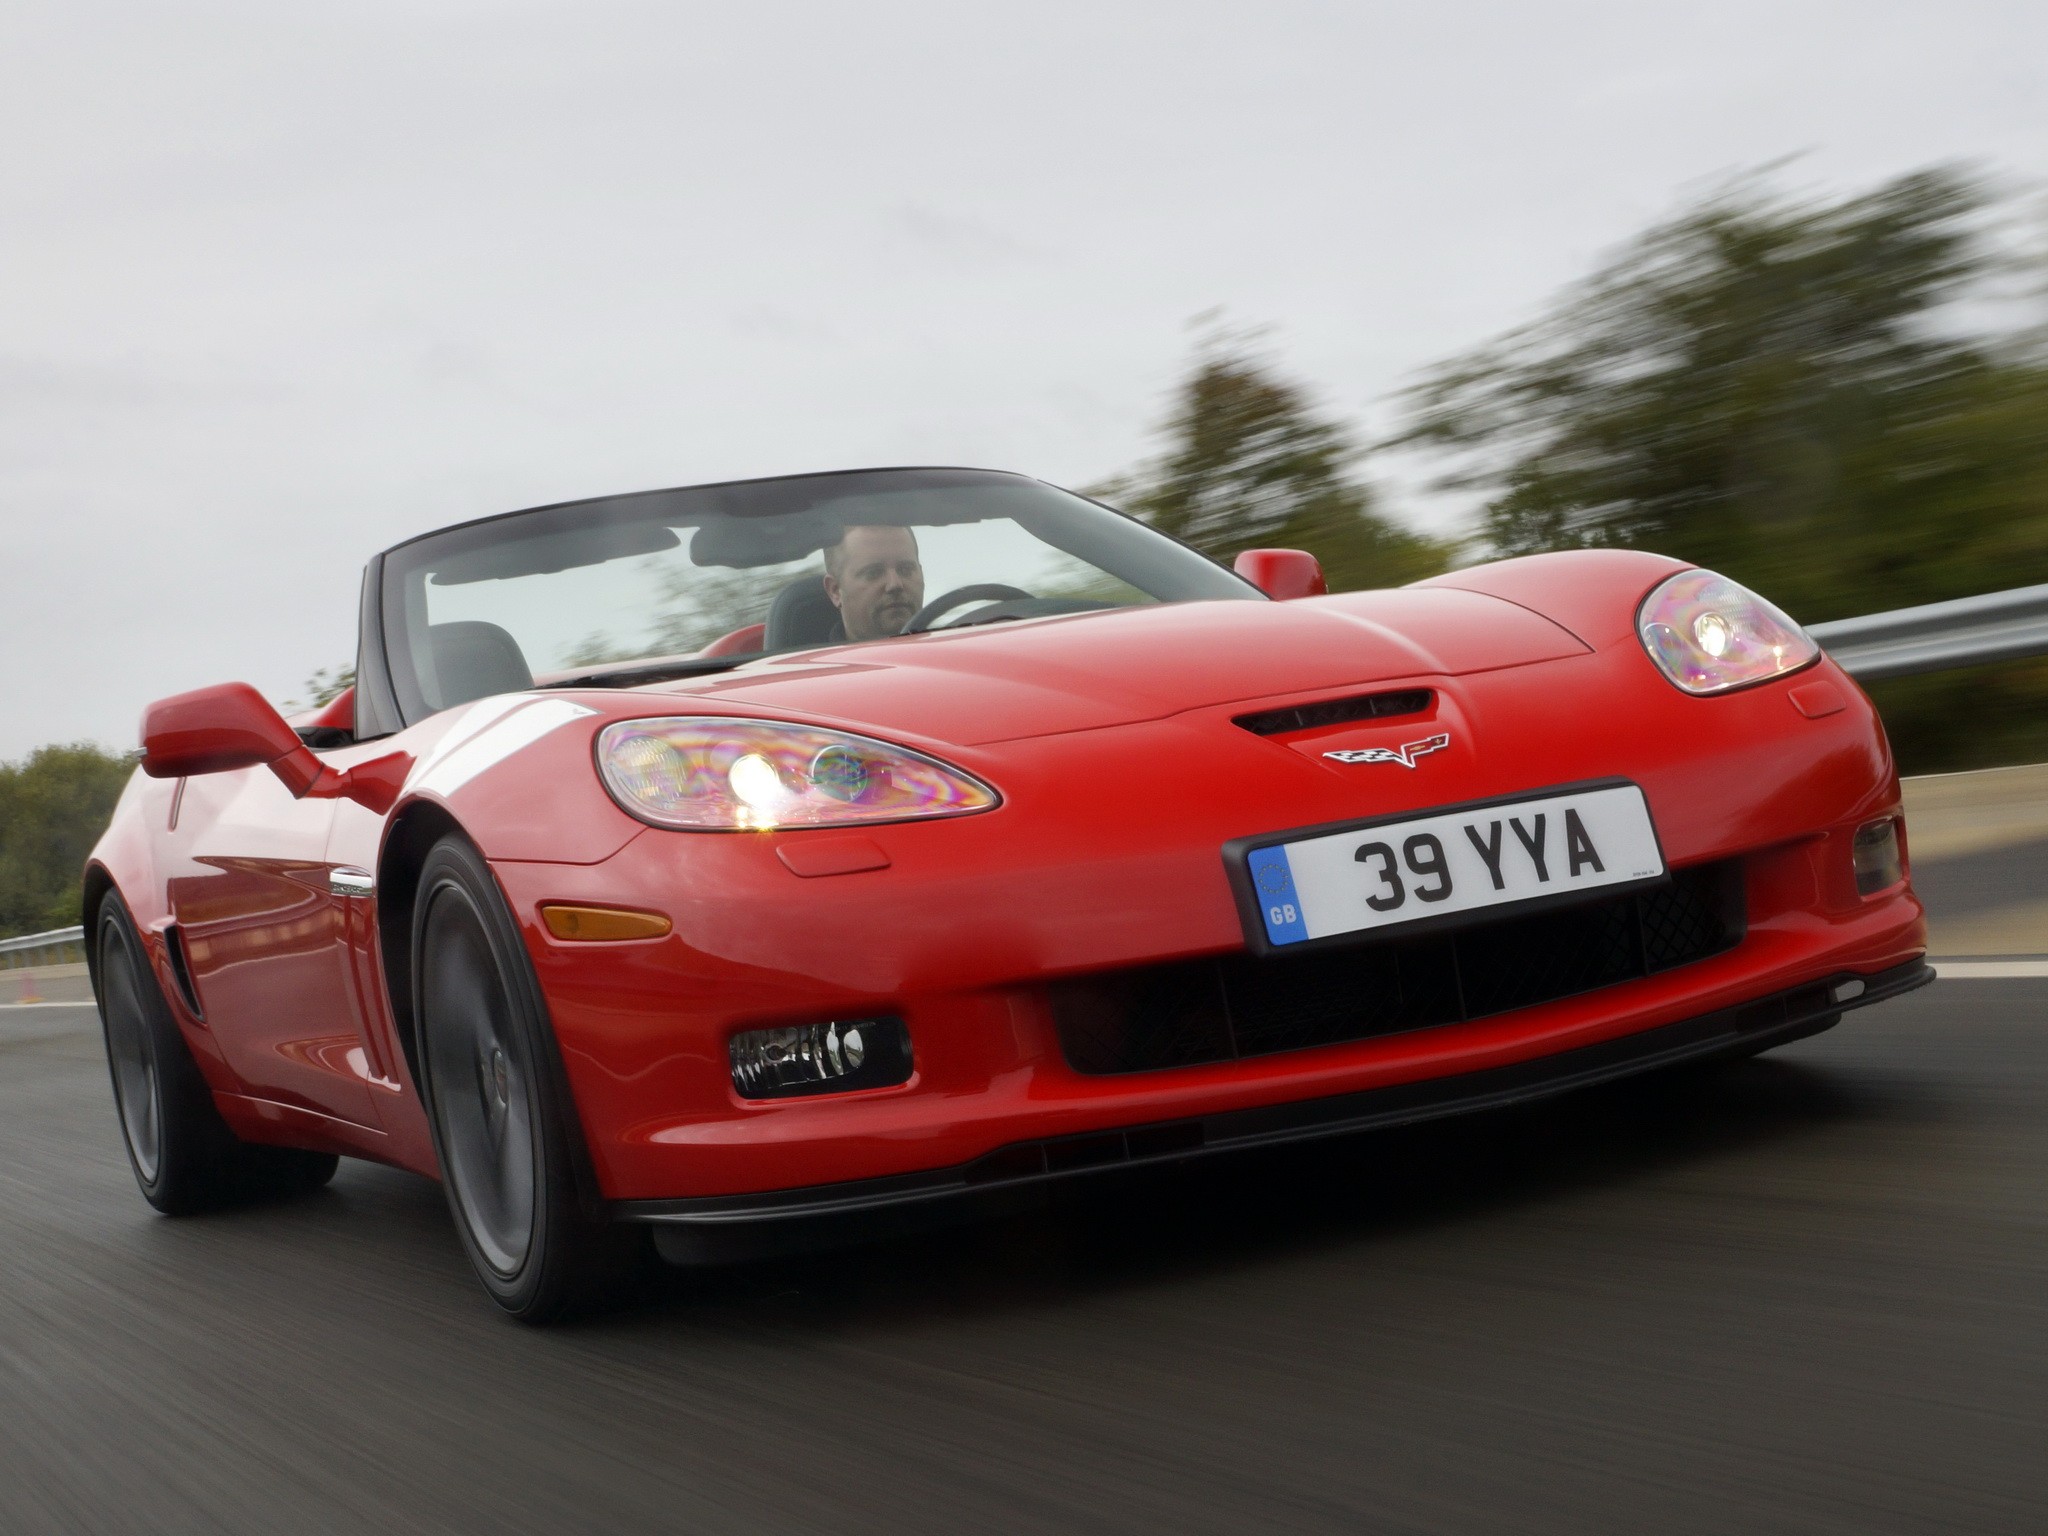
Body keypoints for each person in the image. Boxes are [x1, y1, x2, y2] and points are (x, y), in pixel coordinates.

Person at [823, 524, 925, 641]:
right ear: (835, 590)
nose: (895, 584)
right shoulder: (808, 658)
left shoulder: (948, 647)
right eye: (873, 573)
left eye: (905, 570)